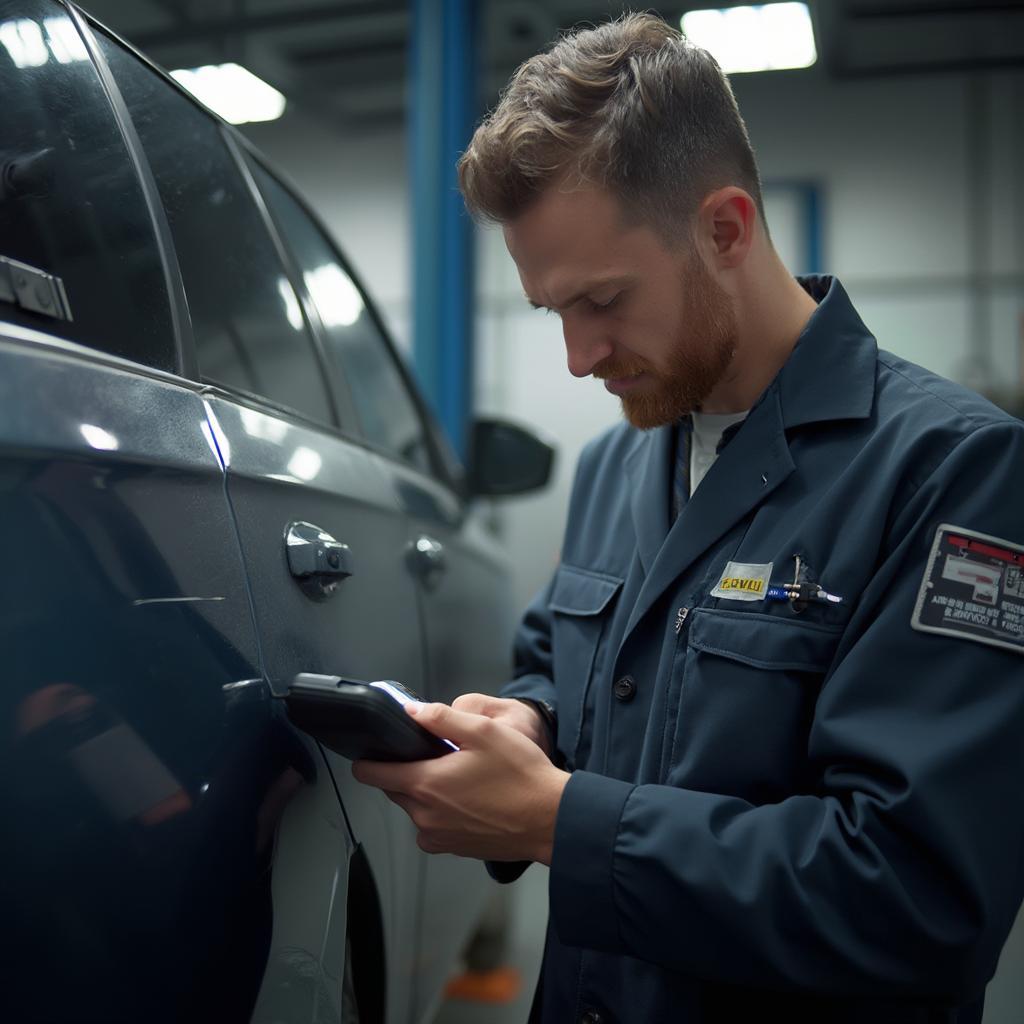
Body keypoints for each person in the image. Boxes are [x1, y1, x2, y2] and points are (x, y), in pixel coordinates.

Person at [354, 13, 1024, 1023]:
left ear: (724, 229)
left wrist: (559, 821)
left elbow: (914, 898)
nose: (579, 357)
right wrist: (525, 720)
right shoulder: (615, 462)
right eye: (553, 313)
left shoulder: (947, 470)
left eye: (604, 301)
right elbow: (562, 666)